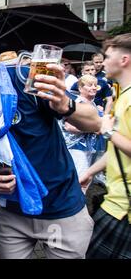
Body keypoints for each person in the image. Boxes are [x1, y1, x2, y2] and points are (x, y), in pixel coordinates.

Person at [0, 32, 101, 259]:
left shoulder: (24, 78)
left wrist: (65, 104)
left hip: (59, 209)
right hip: (11, 213)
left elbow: (94, 122)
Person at [80, 33, 131, 259]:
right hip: (116, 204)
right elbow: (119, 149)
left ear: (124, 60)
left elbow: (114, 138)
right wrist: (90, 172)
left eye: (108, 56)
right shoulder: (123, 97)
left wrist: (106, 129)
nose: (103, 61)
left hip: (124, 208)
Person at [62, 75, 101, 180]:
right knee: (80, 178)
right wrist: (94, 128)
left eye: (95, 85)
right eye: (89, 85)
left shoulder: (93, 104)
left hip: (89, 148)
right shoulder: (77, 104)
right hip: (76, 148)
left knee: (87, 179)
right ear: (80, 88)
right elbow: (69, 127)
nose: (93, 87)